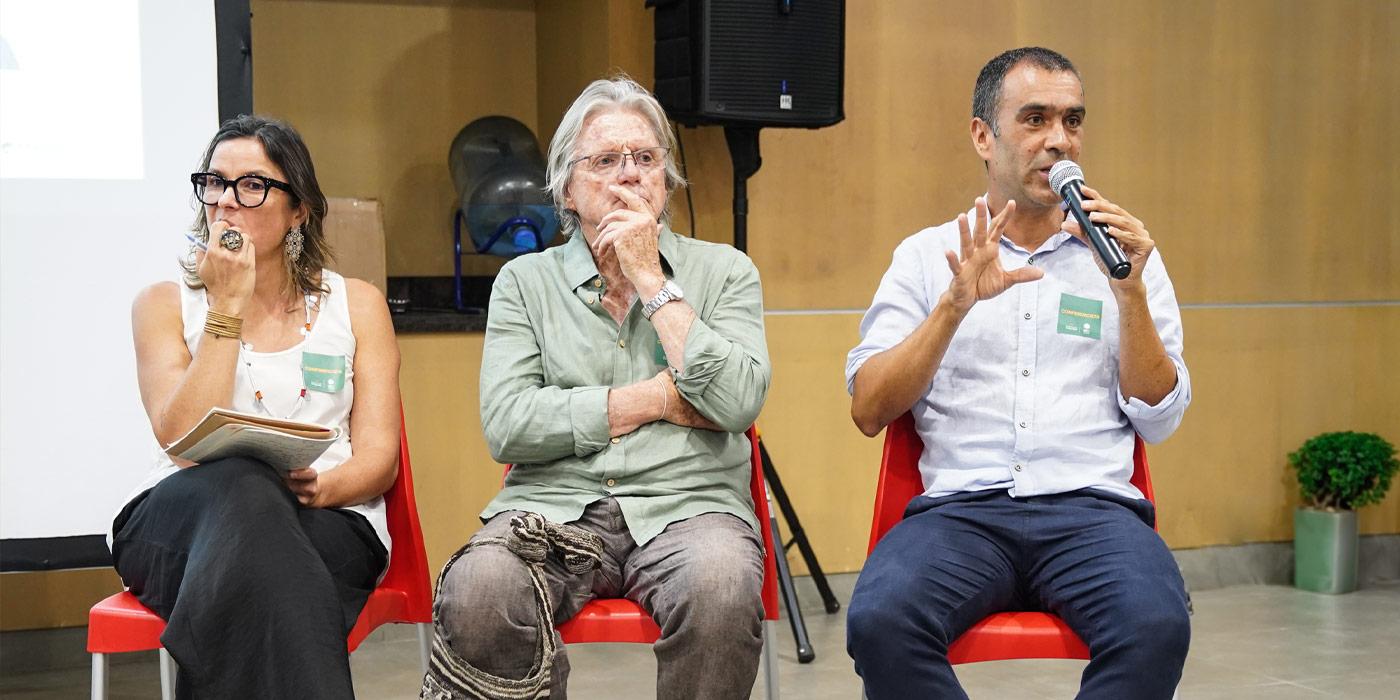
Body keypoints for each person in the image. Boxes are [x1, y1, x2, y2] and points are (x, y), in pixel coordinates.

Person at [844, 47, 1192, 699]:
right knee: (881, 621)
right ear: (984, 135)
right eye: (1035, 119)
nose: (1059, 141)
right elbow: (869, 409)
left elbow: (1161, 415)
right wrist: (952, 306)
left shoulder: (1125, 257)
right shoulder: (926, 257)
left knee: (1157, 624)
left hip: (1092, 511)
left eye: (1072, 120)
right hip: (959, 515)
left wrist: (1130, 292)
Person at [423, 76, 771, 700]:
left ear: (666, 179)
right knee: (477, 590)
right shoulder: (524, 283)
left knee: (720, 589)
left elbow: (738, 401)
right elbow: (508, 424)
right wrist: (658, 400)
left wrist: (649, 277)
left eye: (645, 158)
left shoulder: (724, 272)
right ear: (566, 186)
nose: (628, 176)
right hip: (550, 509)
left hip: (689, 508)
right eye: (606, 160)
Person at [113, 115, 402, 698]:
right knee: (245, 486)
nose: (226, 203)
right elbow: (179, 437)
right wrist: (227, 305)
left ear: (298, 209)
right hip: (182, 521)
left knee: (260, 568)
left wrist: (323, 488)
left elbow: (380, 458)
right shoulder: (164, 304)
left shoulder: (358, 304)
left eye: (252, 185)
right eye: (215, 183)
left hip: (327, 513)